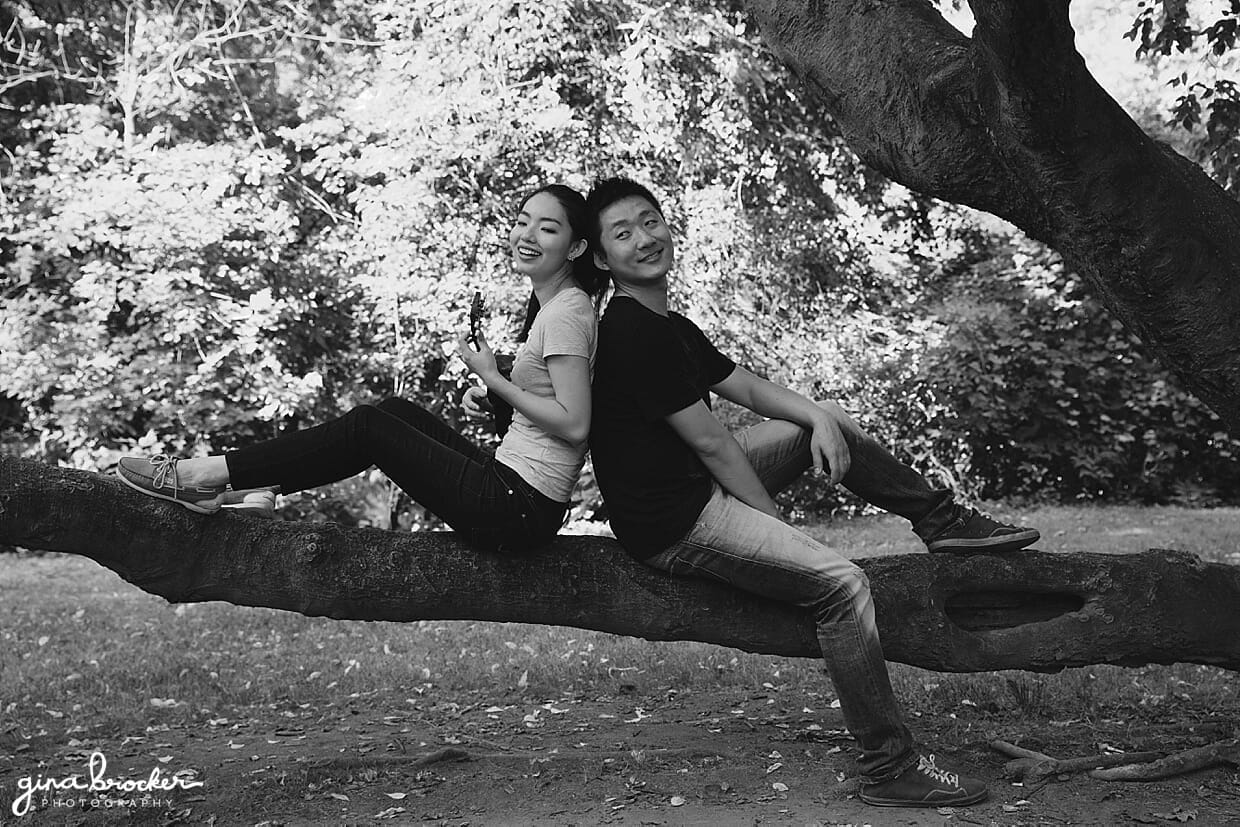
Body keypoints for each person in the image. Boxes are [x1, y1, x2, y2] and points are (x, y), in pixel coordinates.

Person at [584, 177, 1040, 808]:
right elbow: (716, 446)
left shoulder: (668, 324)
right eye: (623, 233)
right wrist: (778, 528)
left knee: (821, 417)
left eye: (650, 220)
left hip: (695, 485)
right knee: (843, 585)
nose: (644, 239)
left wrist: (819, 415)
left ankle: (940, 521)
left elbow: (741, 386)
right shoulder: (634, 334)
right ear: (603, 258)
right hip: (676, 521)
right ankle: (890, 769)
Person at [117, 184, 601, 553]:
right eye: (523, 221)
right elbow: (551, 396)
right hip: (511, 482)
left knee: (369, 428)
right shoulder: (552, 305)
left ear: (576, 248)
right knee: (393, 411)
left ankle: (204, 474)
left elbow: (576, 425)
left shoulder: (565, 312)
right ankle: (260, 486)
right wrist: (495, 391)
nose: (527, 236)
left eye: (548, 228)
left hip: (519, 507)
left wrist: (494, 377)